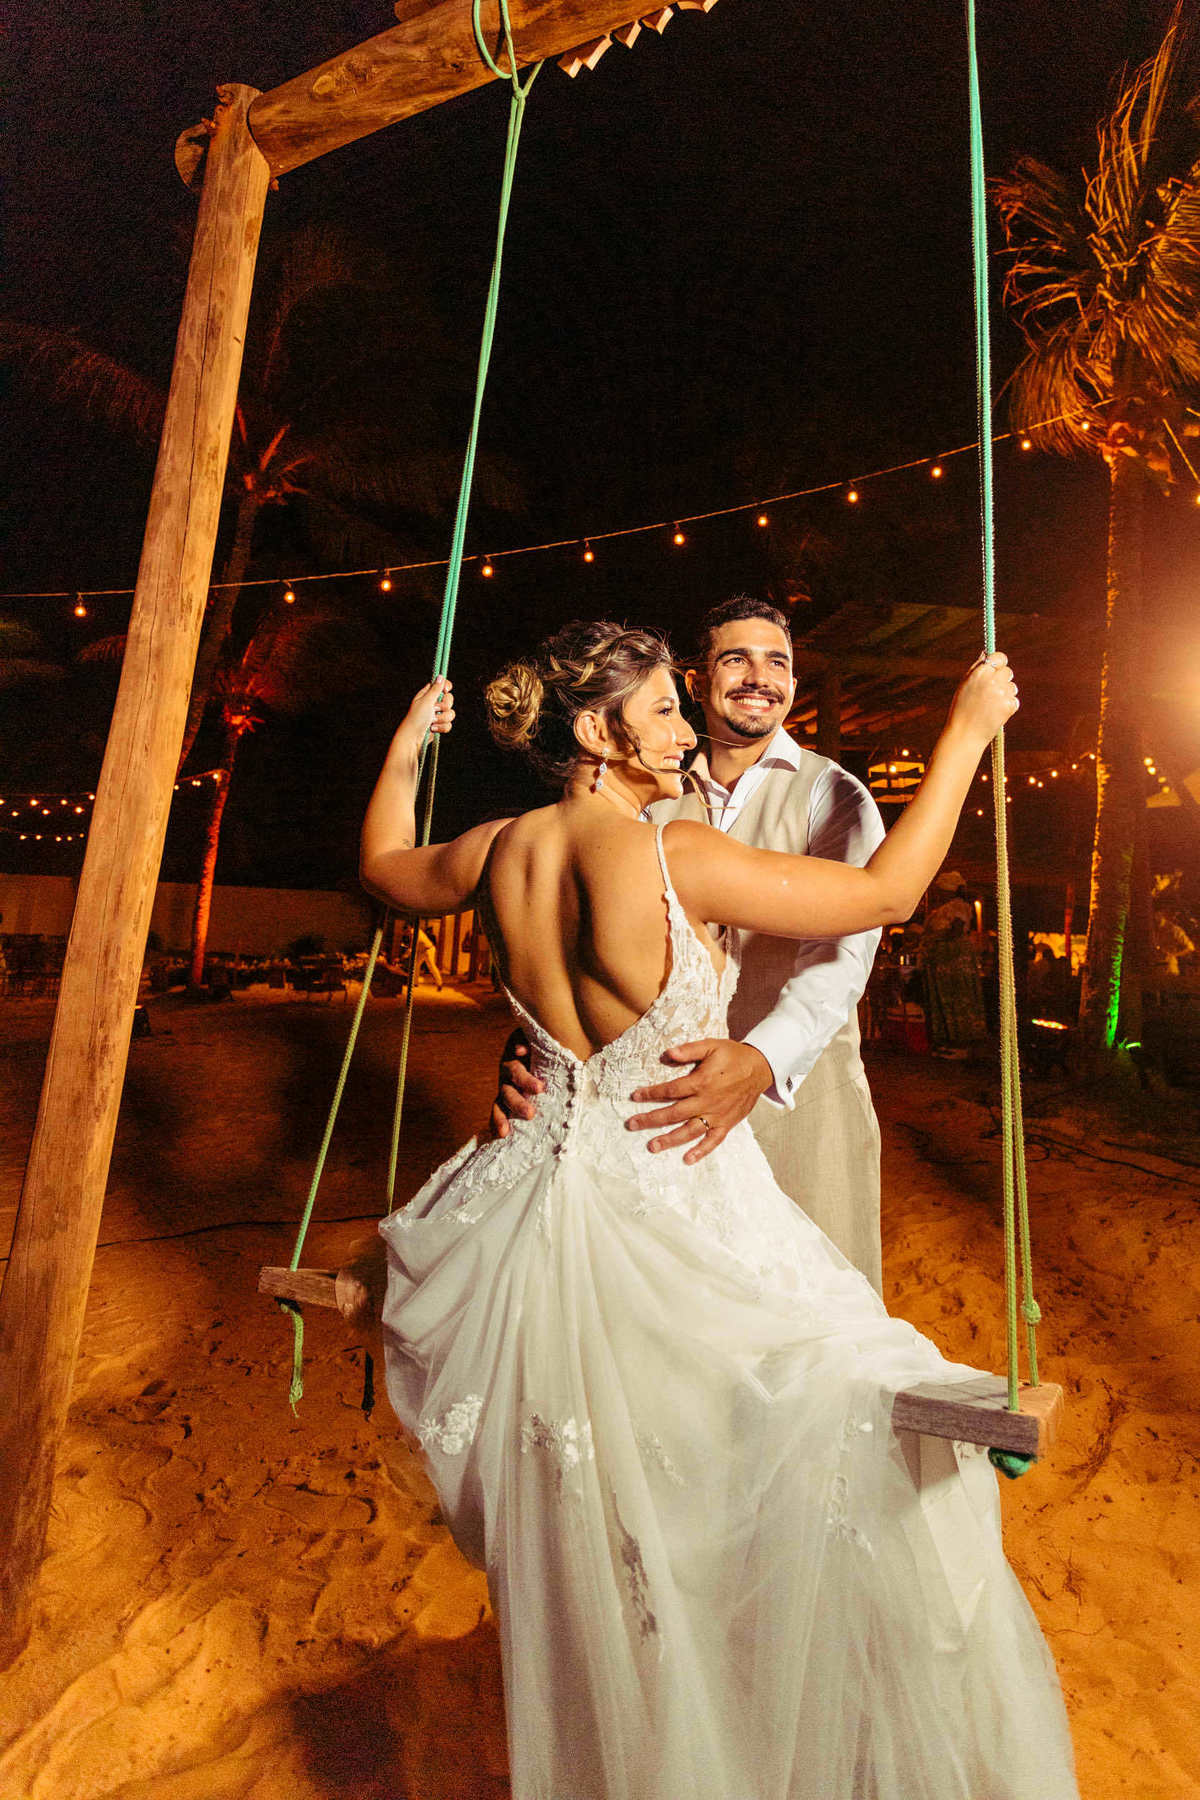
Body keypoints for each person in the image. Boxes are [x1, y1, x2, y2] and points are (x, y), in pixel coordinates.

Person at [360, 623, 1077, 1800]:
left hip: (528, 1210)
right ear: (597, 734)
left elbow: (386, 860)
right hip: (670, 1203)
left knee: (615, 1511)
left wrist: (406, 740)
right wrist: (966, 736)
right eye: (662, 713)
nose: (687, 729)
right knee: (814, 1417)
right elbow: (888, 893)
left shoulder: (497, 850)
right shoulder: (667, 854)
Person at [497, 596, 888, 1291]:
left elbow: (842, 955)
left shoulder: (838, 795)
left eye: (779, 663)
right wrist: (539, 1045)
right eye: (736, 658)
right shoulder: (649, 793)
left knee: (815, 1328)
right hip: (663, 1116)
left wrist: (762, 1060)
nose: (760, 676)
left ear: (795, 685)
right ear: (697, 680)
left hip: (800, 1105)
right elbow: (578, 935)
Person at [920, 870, 986, 1058]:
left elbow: (956, 930)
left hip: (953, 958)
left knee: (956, 996)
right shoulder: (942, 909)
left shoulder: (957, 906)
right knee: (943, 997)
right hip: (942, 958)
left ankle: (960, 1042)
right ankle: (945, 1039)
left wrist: (935, 939)